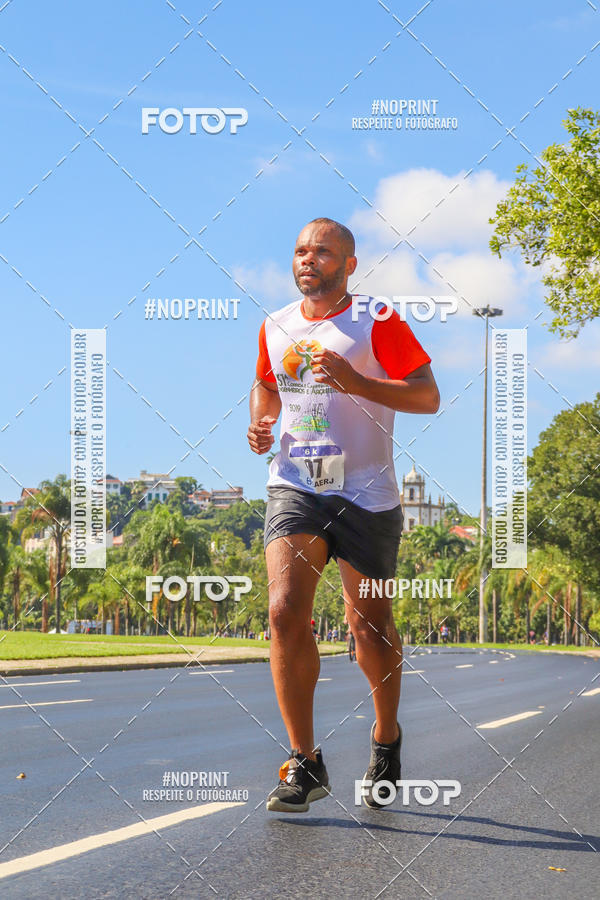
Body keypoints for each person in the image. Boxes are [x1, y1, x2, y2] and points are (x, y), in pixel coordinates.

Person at [247, 217, 439, 813]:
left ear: (349, 265)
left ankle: (386, 737)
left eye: (323, 252)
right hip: (297, 485)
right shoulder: (275, 324)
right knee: (283, 611)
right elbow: (266, 385)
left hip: (367, 493)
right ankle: (304, 762)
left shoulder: (375, 320)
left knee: (368, 631)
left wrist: (358, 381)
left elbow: (427, 395)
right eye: (301, 250)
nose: (309, 259)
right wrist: (261, 420)